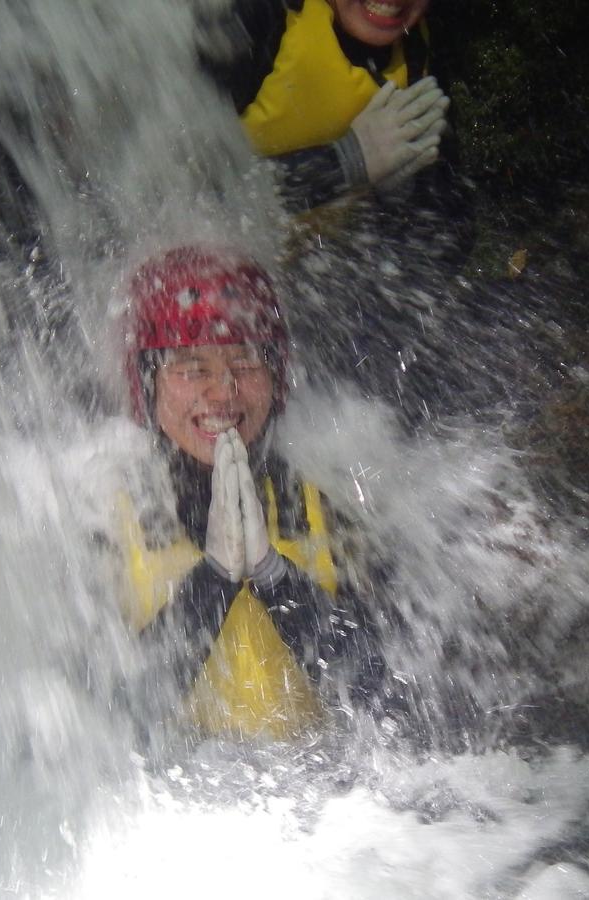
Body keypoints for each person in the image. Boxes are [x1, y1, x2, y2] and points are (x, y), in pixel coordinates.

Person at [118, 245, 387, 740]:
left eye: (245, 362)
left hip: (325, 795)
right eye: (192, 367)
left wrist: (275, 577)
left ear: (276, 377)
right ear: (147, 383)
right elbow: (103, 724)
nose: (223, 392)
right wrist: (215, 580)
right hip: (181, 791)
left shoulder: (331, 496)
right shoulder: (101, 513)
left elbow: (387, 702)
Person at [200, 0, 450, 211]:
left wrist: (397, 197)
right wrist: (345, 164)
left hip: (304, 261)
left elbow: (448, 236)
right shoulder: (253, 19)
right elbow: (180, 197)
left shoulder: (418, 47)